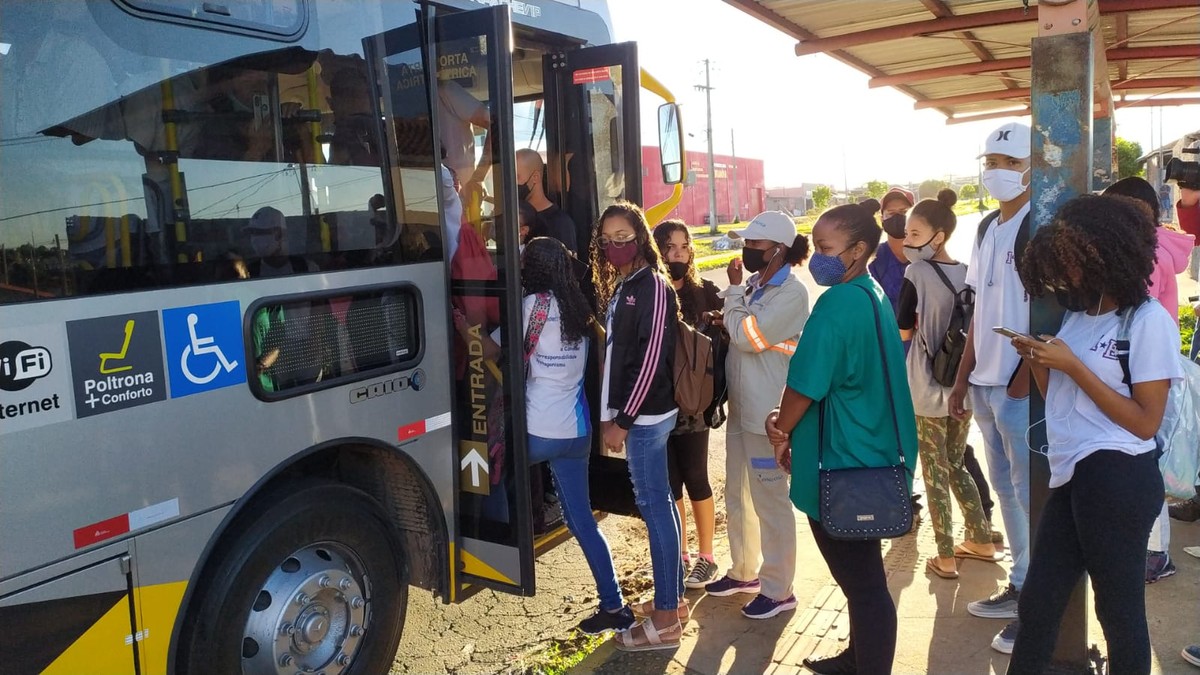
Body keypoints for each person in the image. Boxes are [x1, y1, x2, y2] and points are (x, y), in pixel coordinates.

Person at [1006, 195, 1182, 674]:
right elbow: (1061, 397)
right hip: (1075, 472)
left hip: (1119, 473)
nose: (1068, 273)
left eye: (1075, 260)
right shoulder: (1081, 315)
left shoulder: (1147, 323)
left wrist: (1074, 365)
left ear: (1105, 252)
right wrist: (1040, 362)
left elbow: (1145, 422)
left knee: (1118, 610)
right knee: (1039, 602)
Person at [765, 202, 918, 675]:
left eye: (826, 249)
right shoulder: (869, 292)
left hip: (842, 461)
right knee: (862, 578)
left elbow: (805, 386)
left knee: (864, 585)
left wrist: (781, 427)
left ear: (857, 250)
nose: (817, 258)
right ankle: (856, 658)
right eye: (815, 247)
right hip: (872, 450)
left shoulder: (837, 304)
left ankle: (868, 666)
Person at [508, 237, 635, 635]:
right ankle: (614, 606)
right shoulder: (581, 310)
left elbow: (498, 351)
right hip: (576, 432)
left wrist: (464, 327)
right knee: (582, 522)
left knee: (490, 473)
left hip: (535, 429)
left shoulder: (532, 306)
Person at [948, 121, 1034, 655]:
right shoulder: (984, 228)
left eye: (1007, 163)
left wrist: (1024, 380)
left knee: (1033, 493)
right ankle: (1022, 583)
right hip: (984, 385)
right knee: (1005, 491)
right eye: (991, 162)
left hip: (1020, 389)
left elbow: (1051, 311)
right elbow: (979, 310)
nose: (995, 172)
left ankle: (1041, 604)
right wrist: (962, 379)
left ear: (1033, 167)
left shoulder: (1040, 225)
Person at [705, 211, 810, 620]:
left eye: (755, 246)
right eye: (745, 244)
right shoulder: (754, 285)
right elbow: (741, 330)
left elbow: (749, 339)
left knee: (770, 502)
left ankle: (779, 589)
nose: (746, 251)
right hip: (741, 410)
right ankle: (744, 571)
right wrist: (733, 310)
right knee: (737, 495)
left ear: (779, 251)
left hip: (769, 415)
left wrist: (731, 298)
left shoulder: (791, 294)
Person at [591, 202, 683, 652]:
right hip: (636, 417)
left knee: (654, 507)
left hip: (644, 419)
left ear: (641, 236)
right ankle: (673, 600)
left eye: (624, 237)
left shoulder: (654, 286)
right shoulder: (628, 282)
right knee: (658, 504)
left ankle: (666, 621)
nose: (614, 246)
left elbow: (650, 360)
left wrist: (622, 420)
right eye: (607, 238)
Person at [895, 191, 998, 580]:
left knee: (934, 469)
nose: (908, 240)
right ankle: (981, 538)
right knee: (956, 464)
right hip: (964, 386)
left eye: (915, 232)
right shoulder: (969, 273)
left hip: (926, 387)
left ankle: (945, 556)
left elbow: (904, 326)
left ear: (937, 236)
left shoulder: (916, 273)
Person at [1101, 177, 1195, 583]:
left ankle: (1156, 552)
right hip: (1152, 366)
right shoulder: (1153, 247)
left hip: (1148, 369)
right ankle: (1151, 548)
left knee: (1147, 461)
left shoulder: (1145, 253)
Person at [653, 219, 722, 590]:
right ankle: (679, 554)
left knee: (696, 477)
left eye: (683, 247)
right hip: (658, 405)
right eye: (669, 248)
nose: (677, 255)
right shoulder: (651, 292)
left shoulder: (705, 293)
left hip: (693, 406)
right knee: (670, 483)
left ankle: (706, 557)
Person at [517, 148, 578, 253]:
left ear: (535, 177)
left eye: (517, 177)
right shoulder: (513, 217)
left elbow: (568, 266)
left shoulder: (560, 223)